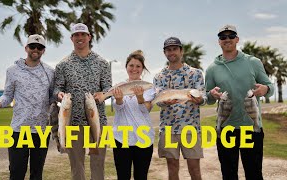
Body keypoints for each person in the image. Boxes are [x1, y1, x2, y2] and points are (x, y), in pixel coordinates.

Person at [205, 24, 274, 180]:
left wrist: (265, 89)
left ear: (237, 39)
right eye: (223, 37)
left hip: (251, 128)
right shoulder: (212, 69)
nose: (227, 39)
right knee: (228, 175)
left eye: (231, 36)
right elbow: (207, 98)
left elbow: (270, 86)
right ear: (219, 41)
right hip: (226, 130)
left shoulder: (253, 62)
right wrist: (211, 95)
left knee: (254, 174)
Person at [0, 34, 54, 180]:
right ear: (26, 48)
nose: (35, 49)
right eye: (32, 46)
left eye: (40, 47)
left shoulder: (50, 72)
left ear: (43, 50)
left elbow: (52, 97)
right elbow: (7, 96)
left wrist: (60, 96)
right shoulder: (12, 71)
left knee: (37, 174)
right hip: (18, 129)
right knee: (16, 173)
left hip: (41, 130)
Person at [53, 23, 112, 180]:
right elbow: (56, 89)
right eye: (76, 35)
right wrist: (59, 94)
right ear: (72, 38)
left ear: (89, 37)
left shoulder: (102, 63)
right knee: (77, 167)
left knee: (98, 165)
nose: (80, 38)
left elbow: (108, 88)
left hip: (98, 122)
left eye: (83, 35)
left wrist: (103, 95)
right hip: (72, 122)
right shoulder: (62, 65)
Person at [154, 37, 207, 180]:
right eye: (168, 50)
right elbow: (158, 101)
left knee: (194, 168)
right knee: (172, 167)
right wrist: (165, 102)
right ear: (165, 52)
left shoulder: (195, 73)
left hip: (191, 129)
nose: (172, 52)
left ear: (181, 51)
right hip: (168, 129)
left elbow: (203, 97)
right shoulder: (159, 76)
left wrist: (200, 99)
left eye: (175, 49)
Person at [112, 50, 155, 180]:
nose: (134, 69)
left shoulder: (148, 87)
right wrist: (119, 99)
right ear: (126, 67)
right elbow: (117, 108)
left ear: (142, 69)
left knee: (141, 176)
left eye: (138, 66)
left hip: (144, 138)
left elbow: (146, 109)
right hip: (122, 138)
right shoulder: (118, 86)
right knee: (122, 176)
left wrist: (140, 97)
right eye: (131, 65)